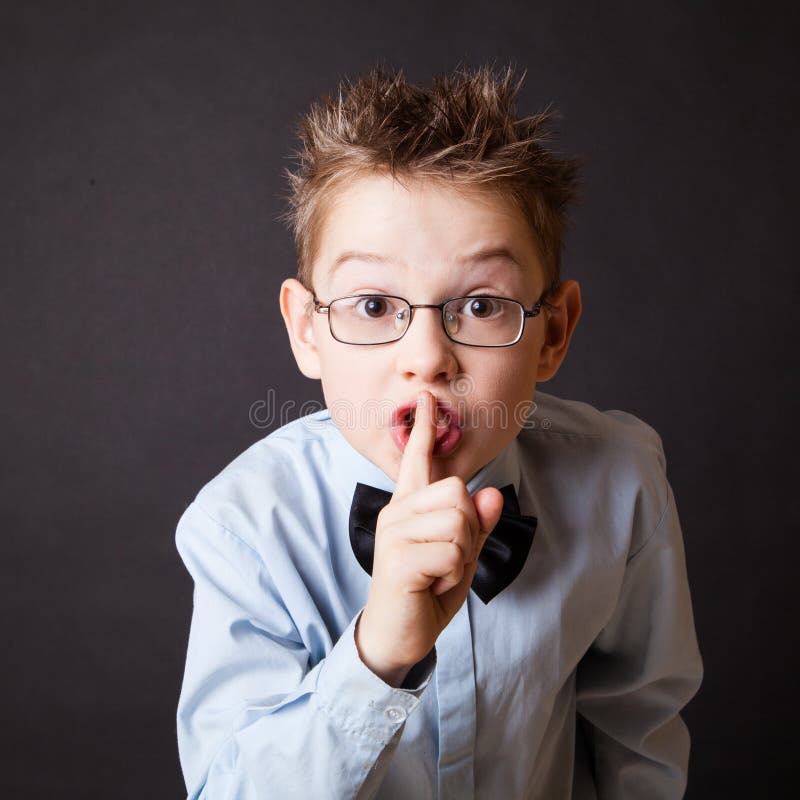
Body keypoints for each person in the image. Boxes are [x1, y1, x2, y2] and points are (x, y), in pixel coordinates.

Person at [175, 64, 703, 799]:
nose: (426, 359)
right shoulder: (246, 527)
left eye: (482, 306)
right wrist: (379, 652)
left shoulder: (622, 480)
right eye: (371, 305)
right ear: (306, 331)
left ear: (553, 332)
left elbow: (637, 729)